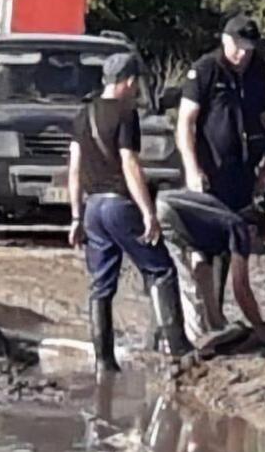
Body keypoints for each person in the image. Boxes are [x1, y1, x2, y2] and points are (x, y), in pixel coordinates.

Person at [68, 53, 193, 374]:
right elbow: (129, 163)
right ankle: (177, 348)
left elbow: (73, 169)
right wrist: (148, 212)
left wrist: (75, 216)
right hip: (119, 205)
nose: (137, 87)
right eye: (135, 81)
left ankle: (104, 361)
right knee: (161, 269)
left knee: (101, 285)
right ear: (127, 81)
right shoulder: (126, 114)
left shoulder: (83, 114)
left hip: (93, 207)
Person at [177, 15, 265, 211]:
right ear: (224, 40)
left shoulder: (258, 69)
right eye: (237, 47)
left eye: (248, 49)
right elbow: (186, 121)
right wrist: (192, 168)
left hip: (245, 172)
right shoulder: (206, 69)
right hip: (211, 171)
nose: (242, 55)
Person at [155, 189, 265, 345]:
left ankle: (208, 329)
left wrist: (217, 323)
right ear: (253, 230)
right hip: (169, 213)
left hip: (161, 204)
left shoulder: (217, 226)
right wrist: (259, 325)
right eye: (258, 244)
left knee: (194, 278)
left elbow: (203, 271)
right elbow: (241, 287)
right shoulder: (239, 228)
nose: (254, 251)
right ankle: (197, 342)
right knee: (187, 284)